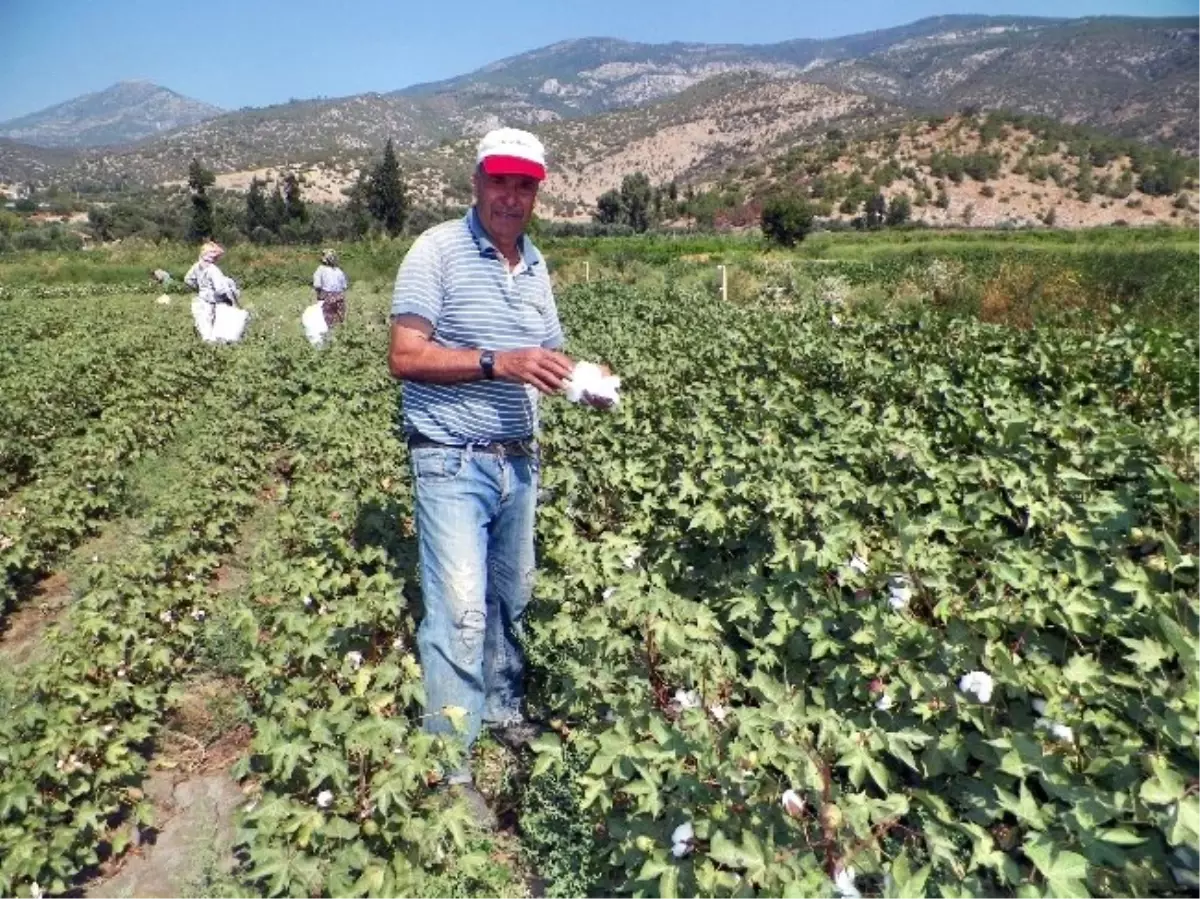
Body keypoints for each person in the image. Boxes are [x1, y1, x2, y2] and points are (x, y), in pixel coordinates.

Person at [387, 127, 607, 817]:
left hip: (519, 461)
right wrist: (496, 360)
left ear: (537, 192)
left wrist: (585, 383)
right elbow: (404, 355)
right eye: (500, 181)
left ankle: (504, 712)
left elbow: (551, 354)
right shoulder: (437, 251)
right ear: (477, 182)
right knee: (460, 612)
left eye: (526, 185)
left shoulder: (535, 264)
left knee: (511, 598)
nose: (512, 196)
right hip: (451, 459)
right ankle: (451, 774)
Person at [184, 242, 241, 341]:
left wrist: (199, 288)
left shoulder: (197, 266)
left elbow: (188, 279)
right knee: (215, 332)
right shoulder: (213, 270)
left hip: (201, 300)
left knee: (204, 329)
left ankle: (206, 349)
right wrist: (230, 299)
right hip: (213, 303)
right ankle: (214, 351)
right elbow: (220, 290)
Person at [312, 249, 349, 327]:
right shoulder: (339, 271)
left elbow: (317, 285)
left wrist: (319, 296)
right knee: (339, 321)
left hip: (327, 297)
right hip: (340, 297)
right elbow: (344, 286)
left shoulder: (321, 269)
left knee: (326, 322)